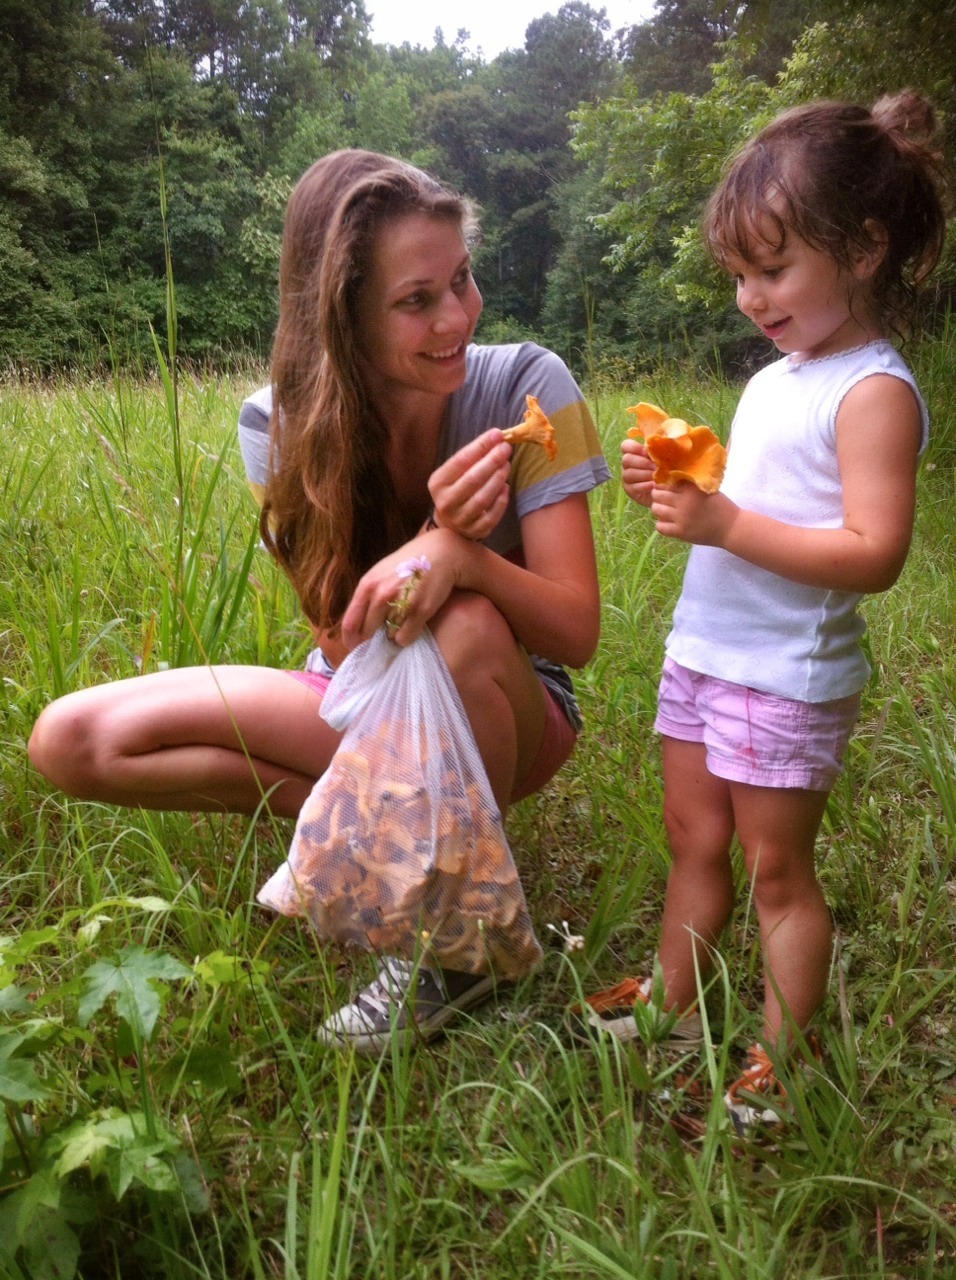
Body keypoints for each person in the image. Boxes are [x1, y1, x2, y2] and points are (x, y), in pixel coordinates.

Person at [28, 149, 609, 1054]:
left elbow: (576, 633)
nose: (456, 316)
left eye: (462, 280)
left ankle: (454, 953)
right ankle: (369, 850)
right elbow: (340, 647)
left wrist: (466, 556)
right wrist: (427, 539)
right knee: (71, 741)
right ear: (340, 312)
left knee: (461, 621)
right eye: (416, 300)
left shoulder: (535, 388)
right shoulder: (278, 424)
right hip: (357, 695)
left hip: (513, 707)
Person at [576, 92, 949, 1132]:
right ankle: (669, 1004)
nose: (748, 295)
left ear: (865, 247)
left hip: (782, 670)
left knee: (777, 871)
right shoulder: (780, 374)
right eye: (737, 273)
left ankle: (782, 1058)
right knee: (689, 836)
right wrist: (685, 476)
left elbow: (870, 552)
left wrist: (723, 520)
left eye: (771, 268)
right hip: (707, 650)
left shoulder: (871, 391)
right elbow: (755, 497)